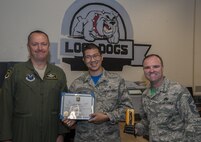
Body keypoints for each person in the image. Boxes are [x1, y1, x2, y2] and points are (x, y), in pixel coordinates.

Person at [0, 30, 69, 142]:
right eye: (35, 44)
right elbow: (5, 106)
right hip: (22, 133)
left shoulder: (58, 73)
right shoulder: (16, 71)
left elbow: (63, 106)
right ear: (28, 47)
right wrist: (5, 137)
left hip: (50, 135)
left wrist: (61, 134)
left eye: (43, 44)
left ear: (48, 46)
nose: (39, 48)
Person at [64, 43, 133, 142]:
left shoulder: (117, 81)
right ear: (84, 60)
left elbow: (128, 110)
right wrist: (70, 119)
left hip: (109, 138)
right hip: (84, 138)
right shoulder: (77, 84)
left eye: (95, 56)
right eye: (88, 57)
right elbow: (70, 112)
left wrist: (107, 116)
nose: (92, 60)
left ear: (101, 57)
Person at [134, 54, 201, 142]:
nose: (151, 70)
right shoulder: (145, 95)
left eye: (155, 66)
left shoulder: (178, 90)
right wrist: (136, 129)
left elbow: (194, 122)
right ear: (144, 70)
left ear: (162, 68)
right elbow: (147, 121)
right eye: (147, 67)